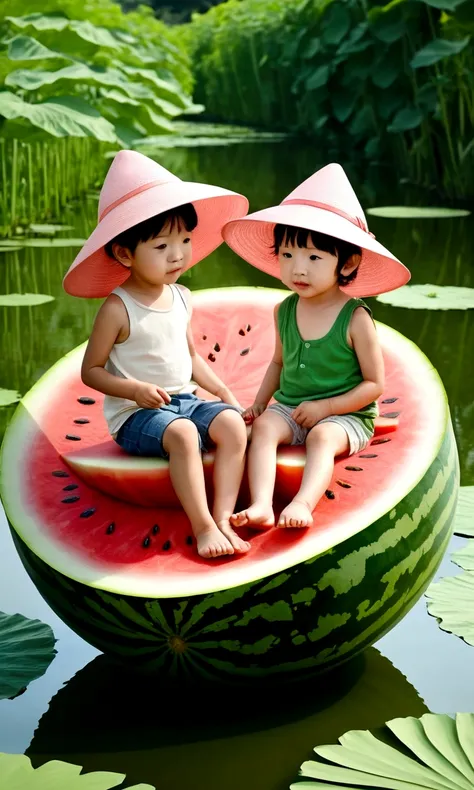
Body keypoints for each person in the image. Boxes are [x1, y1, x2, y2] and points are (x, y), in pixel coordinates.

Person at [63, 150, 251, 559]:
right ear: (125, 254)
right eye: (162, 245)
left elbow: (192, 358)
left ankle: (222, 517)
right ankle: (203, 528)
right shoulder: (118, 308)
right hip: (136, 416)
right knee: (183, 434)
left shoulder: (182, 296)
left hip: (183, 399)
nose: (178, 255)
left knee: (234, 427)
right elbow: (91, 372)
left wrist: (226, 396)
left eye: (184, 241)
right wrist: (134, 391)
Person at [223, 163, 410, 530]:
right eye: (288, 255)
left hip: (346, 416)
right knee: (263, 431)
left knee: (322, 438)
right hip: (291, 407)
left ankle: (303, 503)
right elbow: (277, 363)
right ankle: (261, 504)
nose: (298, 269)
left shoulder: (355, 318)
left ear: (348, 262)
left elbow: (374, 385)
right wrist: (261, 403)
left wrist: (327, 406)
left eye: (313, 258)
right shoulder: (284, 310)